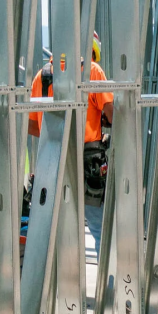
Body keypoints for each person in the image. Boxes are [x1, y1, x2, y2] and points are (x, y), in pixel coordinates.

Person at [26, 32, 113, 248]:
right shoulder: (92, 70)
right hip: (86, 161)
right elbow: (112, 113)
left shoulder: (42, 75)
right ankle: (109, 281)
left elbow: (32, 124)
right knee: (101, 229)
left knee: (52, 230)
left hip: (51, 159)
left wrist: (56, 134)